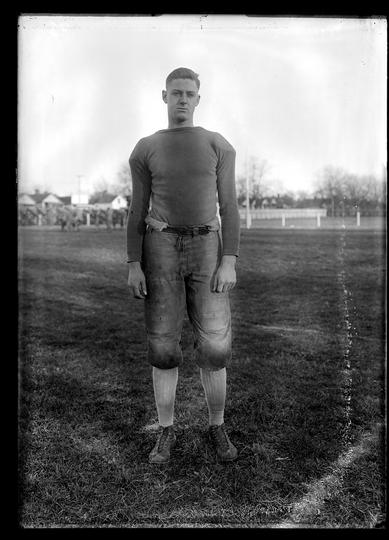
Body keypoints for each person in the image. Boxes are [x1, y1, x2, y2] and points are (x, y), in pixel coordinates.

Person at [126, 67, 240, 464]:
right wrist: (133, 262)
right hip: (160, 247)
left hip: (208, 245)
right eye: (176, 93)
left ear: (198, 98)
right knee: (162, 342)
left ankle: (217, 426)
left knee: (214, 342)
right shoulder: (146, 147)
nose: (182, 99)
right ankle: (166, 431)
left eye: (189, 93)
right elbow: (137, 209)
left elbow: (229, 206)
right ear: (164, 96)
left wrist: (229, 259)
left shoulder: (217, 144)